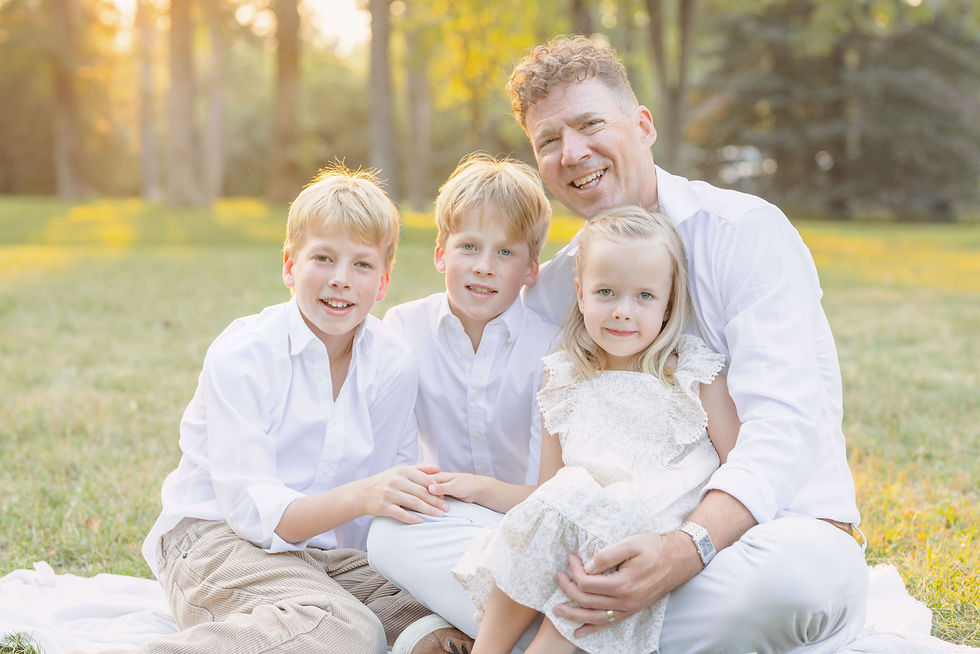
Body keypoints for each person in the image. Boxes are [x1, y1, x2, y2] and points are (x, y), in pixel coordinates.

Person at [371, 35, 870, 653]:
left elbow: (785, 427)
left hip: (757, 542)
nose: (572, 152)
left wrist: (685, 549)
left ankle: (523, 635)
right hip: (599, 543)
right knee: (394, 536)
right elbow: (487, 344)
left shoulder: (745, 232)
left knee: (799, 582)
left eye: (589, 124)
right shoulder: (558, 286)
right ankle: (592, 629)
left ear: (643, 125)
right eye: (548, 141)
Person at [119, 166, 473, 654]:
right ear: (290, 265)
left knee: (450, 626)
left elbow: (384, 503)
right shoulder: (245, 354)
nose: (341, 281)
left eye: (362, 265)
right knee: (345, 628)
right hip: (216, 542)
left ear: (384, 281)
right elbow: (252, 514)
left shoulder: (392, 362)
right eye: (323, 259)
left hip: (327, 558)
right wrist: (363, 496)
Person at [451, 206, 740, 654]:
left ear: (668, 303)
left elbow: (739, 467)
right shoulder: (564, 376)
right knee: (566, 497)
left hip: (649, 530)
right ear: (580, 294)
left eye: (644, 296)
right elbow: (547, 492)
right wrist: (482, 488)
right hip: (573, 518)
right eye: (606, 292)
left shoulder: (693, 373)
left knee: (610, 518)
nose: (623, 312)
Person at [368, 153, 558, 632]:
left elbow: (548, 496)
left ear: (531, 269)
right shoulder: (404, 328)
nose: (484, 267)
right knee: (386, 537)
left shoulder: (550, 347)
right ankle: (520, 631)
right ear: (440, 253)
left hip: (525, 522)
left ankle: (485, 630)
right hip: (443, 523)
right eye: (469, 247)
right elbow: (391, 457)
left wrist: (474, 489)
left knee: (536, 551)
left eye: (506, 253)